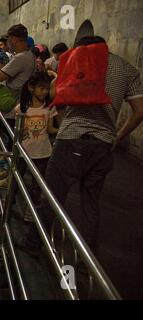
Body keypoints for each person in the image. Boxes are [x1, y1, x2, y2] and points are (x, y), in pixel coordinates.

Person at [19, 36, 143, 256]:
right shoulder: (126, 68)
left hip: (71, 138)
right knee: (91, 203)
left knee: (52, 195)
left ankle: (34, 244)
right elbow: (139, 110)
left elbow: (55, 95)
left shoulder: (76, 60)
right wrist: (117, 136)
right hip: (103, 144)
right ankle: (87, 259)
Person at [0, 24, 36, 167]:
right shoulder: (27, 55)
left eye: (9, 39)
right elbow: (9, 73)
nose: (8, 43)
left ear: (15, 39)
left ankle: (9, 170)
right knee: (9, 135)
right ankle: (6, 160)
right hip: (16, 100)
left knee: (11, 136)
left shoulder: (22, 57)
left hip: (14, 102)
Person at [16, 72, 59, 222]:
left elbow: (50, 129)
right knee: (16, 179)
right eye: (42, 88)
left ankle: (31, 210)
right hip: (24, 151)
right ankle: (8, 202)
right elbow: (18, 132)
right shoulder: (21, 109)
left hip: (43, 152)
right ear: (31, 88)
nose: (45, 92)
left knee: (37, 185)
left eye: (47, 89)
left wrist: (64, 131)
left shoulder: (49, 109)